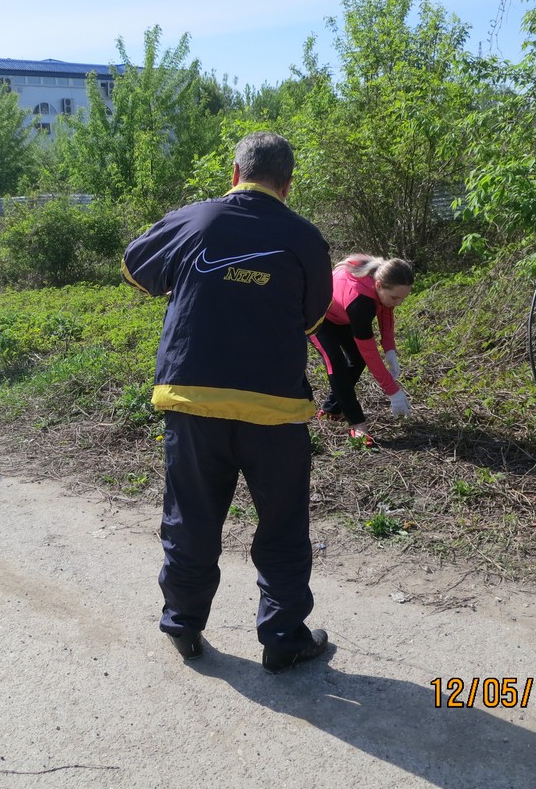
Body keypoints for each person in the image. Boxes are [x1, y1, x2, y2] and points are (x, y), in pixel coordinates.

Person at [122, 132, 334, 674]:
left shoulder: (195, 218)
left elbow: (135, 268)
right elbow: (310, 319)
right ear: (287, 185)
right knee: (283, 524)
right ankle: (283, 636)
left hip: (193, 400)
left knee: (191, 516)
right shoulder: (306, 238)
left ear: (235, 173)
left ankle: (183, 625)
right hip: (275, 409)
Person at [311, 254, 414, 448]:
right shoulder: (361, 302)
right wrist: (392, 391)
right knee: (336, 362)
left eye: (403, 298)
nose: (398, 303)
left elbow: (386, 310)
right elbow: (370, 352)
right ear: (379, 286)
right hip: (317, 316)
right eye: (395, 297)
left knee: (357, 359)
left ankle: (332, 409)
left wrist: (390, 348)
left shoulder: (380, 275)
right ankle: (357, 424)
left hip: (341, 313)